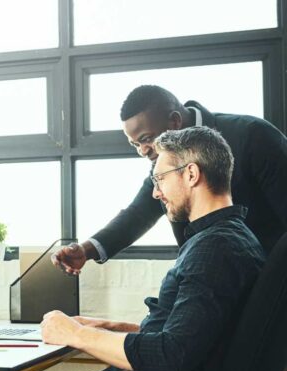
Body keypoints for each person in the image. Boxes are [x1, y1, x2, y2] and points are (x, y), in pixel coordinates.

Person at [0, 126, 265, 371]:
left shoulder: (214, 249)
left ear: (191, 174)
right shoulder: (230, 238)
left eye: (160, 179)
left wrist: (74, 334)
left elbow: (171, 355)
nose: (156, 192)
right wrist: (108, 326)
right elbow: (195, 334)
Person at [52, 85, 287, 275]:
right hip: (205, 281)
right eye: (136, 144)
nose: (144, 150)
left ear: (174, 122)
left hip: (268, 283)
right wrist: (85, 250)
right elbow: (138, 214)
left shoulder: (253, 136)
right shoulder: (163, 161)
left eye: (146, 139)